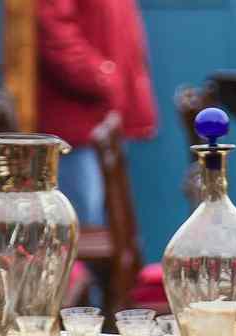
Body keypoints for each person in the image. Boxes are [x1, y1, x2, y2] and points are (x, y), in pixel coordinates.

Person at [36, 0, 157, 232]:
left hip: (102, 120)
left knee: (104, 230)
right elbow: (55, 32)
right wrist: (104, 77)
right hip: (76, 127)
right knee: (81, 233)